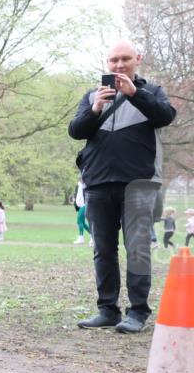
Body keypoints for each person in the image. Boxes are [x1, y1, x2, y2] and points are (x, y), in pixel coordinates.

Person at [70, 40, 176, 333]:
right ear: (107, 62)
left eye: (125, 59)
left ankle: (138, 312)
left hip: (139, 184)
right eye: (113, 60)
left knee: (137, 248)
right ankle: (107, 310)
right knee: (103, 249)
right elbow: (75, 131)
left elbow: (165, 116)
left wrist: (134, 94)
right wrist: (94, 109)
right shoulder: (93, 94)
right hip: (98, 182)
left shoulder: (151, 92)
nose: (118, 65)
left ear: (137, 59)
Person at [73, 180, 91, 245]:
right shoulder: (78, 185)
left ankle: (81, 238)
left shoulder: (85, 185)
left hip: (84, 204)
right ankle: (93, 236)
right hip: (80, 205)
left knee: (79, 221)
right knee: (82, 222)